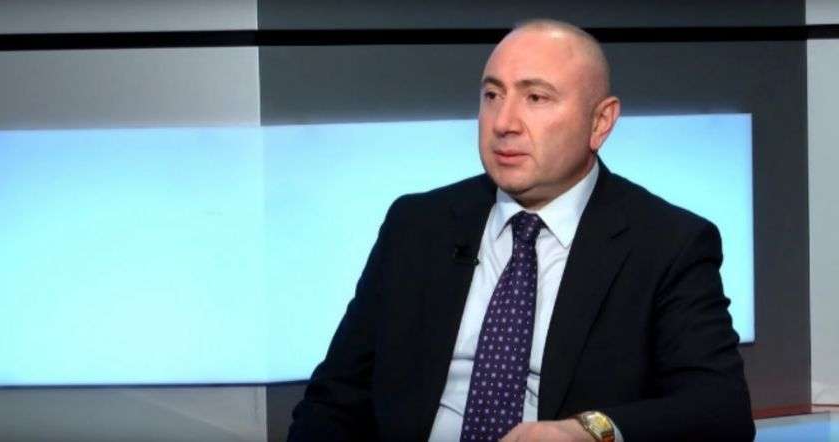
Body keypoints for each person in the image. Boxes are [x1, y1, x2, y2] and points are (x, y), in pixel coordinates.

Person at [288, 19, 754, 442]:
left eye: (536, 98)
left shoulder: (667, 243)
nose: (504, 123)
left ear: (600, 122)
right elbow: (335, 399)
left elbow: (720, 411)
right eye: (492, 95)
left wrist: (587, 432)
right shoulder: (416, 224)